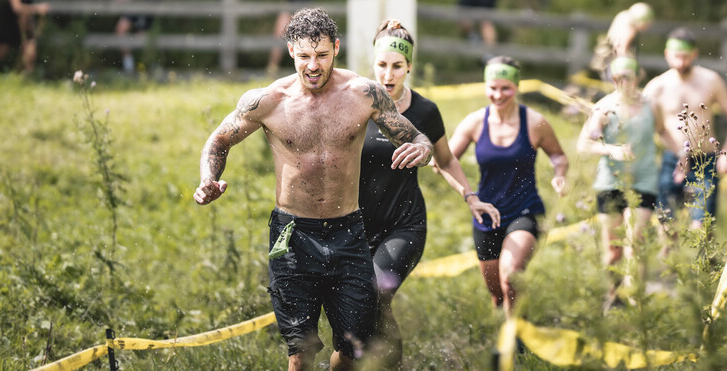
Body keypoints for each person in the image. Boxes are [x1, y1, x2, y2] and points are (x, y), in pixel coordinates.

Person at [192, 9, 433, 371]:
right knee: (300, 352)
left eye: (322, 55)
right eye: (305, 56)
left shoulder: (364, 94)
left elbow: (416, 136)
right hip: (291, 234)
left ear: (336, 48)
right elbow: (219, 141)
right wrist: (208, 178)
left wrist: (423, 148)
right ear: (291, 51)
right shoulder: (268, 101)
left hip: (349, 232)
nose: (313, 66)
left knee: (354, 347)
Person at [363, 19, 500, 368]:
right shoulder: (356, 105)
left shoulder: (425, 112)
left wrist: (470, 197)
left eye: (396, 66)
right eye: (381, 65)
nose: (388, 75)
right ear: (373, 64)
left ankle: (389, 364)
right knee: (357, 307)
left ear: (409, 66)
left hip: (404, 225)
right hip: (356, 226)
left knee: (376, 293)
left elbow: (446, 160)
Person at [443, 56, 568, 316]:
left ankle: (514, 342)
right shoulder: (475, 122)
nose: (498, 95)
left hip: (525, 210)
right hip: (486, 215)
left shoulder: (535, 122)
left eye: (505, 88)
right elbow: (444, 161)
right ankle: (502, 327)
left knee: (510, 276)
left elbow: (559, 155)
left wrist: (560, 174)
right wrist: (467, 194)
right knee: (497, 294)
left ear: (517, 87)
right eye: (493, 88)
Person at [576, 56, 679, 308]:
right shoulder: (604, 108)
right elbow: (584, 145)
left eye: (628, 77)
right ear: (612, 79)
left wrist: (682, 156)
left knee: (636, 244)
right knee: (613, 251)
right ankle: (615, 296)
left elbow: (662, 131)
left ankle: (637, 304)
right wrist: (611, 150)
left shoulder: (650, 105)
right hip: (610, 182)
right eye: (618, 78)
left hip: (643, 181)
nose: (623, 82)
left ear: (637, 76)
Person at [643, 27, 727, 231]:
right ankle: (668, 263)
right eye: (676, 57)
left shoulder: (710, 80)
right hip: (672, 159)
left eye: (686, 57)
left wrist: (725, 152)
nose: (681, 63)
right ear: (666, 55)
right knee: (666, 224)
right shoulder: (657, 87)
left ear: (695, 54)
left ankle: (707, 263)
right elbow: (642, 124)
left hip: (705, 159)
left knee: (702, 226)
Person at [589, 2, 654, 74]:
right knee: (639, 74)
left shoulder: (624, 16)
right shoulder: (629, 28)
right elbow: (621, 49)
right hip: (614, 64)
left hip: (606, 60)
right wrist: (633, 69)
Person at [0, 0, 49, 74]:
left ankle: (27, 78)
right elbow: (17, 8)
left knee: (30, 55)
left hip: (26, 25)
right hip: (10, 24)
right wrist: (37, 9)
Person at [114, 0, 156, 74]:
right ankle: (129, 66)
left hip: (147, 5)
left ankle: (149, 66)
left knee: (142, 36)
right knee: (121, 29)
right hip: (135, 5)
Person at [267, 0, 306, 77]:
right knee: (278, 37)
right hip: (288, 7)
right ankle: (272, 69)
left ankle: (304, 69)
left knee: (306, 40)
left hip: (305, 7)